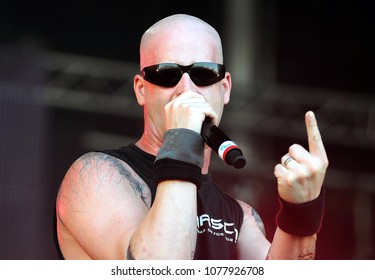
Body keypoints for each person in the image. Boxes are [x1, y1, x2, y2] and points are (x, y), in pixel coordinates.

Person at [55, 14, 329, 260]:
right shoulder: (94, 175)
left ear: (225, 88)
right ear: (141, 90)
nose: (186, 89)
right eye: (167, 74)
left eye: (203, 73)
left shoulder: (241, 217)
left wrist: (301, 210)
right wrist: (182, 141)